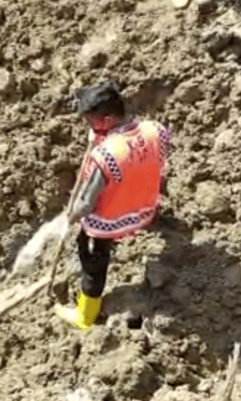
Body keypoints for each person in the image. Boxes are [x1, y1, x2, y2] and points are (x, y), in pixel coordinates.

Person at [54, 82, 171, 332]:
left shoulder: (107, 154)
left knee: (92, 260)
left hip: (109, 221)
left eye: (92, 121)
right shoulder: (155, 130)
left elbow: (86, 203)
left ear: (106, 120)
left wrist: (72, 214)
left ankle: (85, 316)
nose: (90, 126)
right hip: (145, 209)